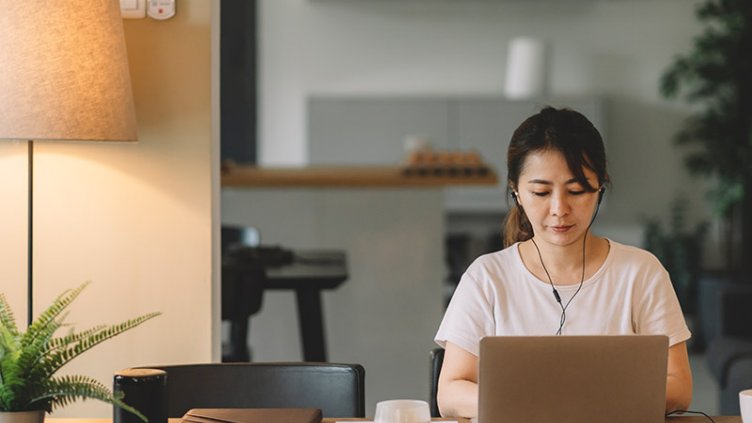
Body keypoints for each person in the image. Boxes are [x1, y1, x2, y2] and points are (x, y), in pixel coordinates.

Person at [434, 106, 693, 418]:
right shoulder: (486, 277)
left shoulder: (641, 273)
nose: (559, 209)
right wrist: (540, 406)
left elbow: (679, 387)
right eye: (541, 192)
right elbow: (450, 391)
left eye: (576, 190)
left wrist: (576, 403)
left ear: (600, 188)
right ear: (516, 191)